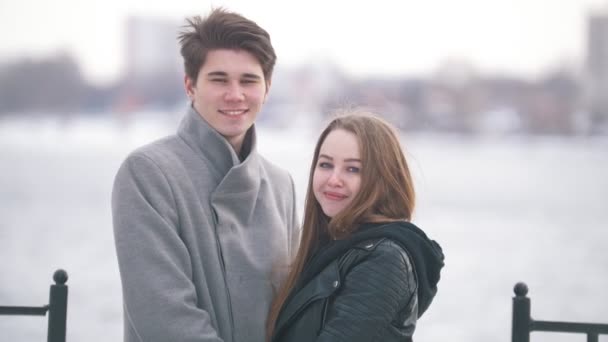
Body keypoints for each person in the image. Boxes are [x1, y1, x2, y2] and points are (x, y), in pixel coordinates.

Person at [111, 8, 299, 342]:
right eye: (219, 79)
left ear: (267, 88)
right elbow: (164, 317)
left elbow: (296, 307)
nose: (235, 94)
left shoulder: (281, 186)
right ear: (190, 85)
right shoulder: (148, 174)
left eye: (249, 80)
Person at [266, 110, 445, 342]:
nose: (333, 179)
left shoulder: (384, 259)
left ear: (383, 178)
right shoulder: (329, 248)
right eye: (326, 165)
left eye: (353, 169)